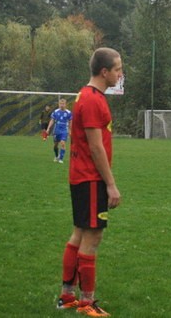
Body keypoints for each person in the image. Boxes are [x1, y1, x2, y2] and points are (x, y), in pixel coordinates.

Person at [56, 48, 123, 317]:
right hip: (91, 179)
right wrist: (111, 184)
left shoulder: (84, 95)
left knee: (79, 234)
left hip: (80, 176)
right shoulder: (93, 100)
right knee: (92, 238)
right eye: (117, 69)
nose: (120, 74)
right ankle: (86, 303)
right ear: (104, 72)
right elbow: (96, 147)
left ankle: (67, 297)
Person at [46, 98, 72, 163]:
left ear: (65, 104)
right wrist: (48, 128)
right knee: (55, 145)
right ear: (59, 104)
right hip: (56, 130)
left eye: (63, 104)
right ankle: (56, 156)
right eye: (60, 104)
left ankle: (61, 159)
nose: (62, 105)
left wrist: (70, 130)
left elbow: (70, 122)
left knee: (63, 143)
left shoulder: (69, 113)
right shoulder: (55, 111)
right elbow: (52, 120)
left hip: (64, 130)